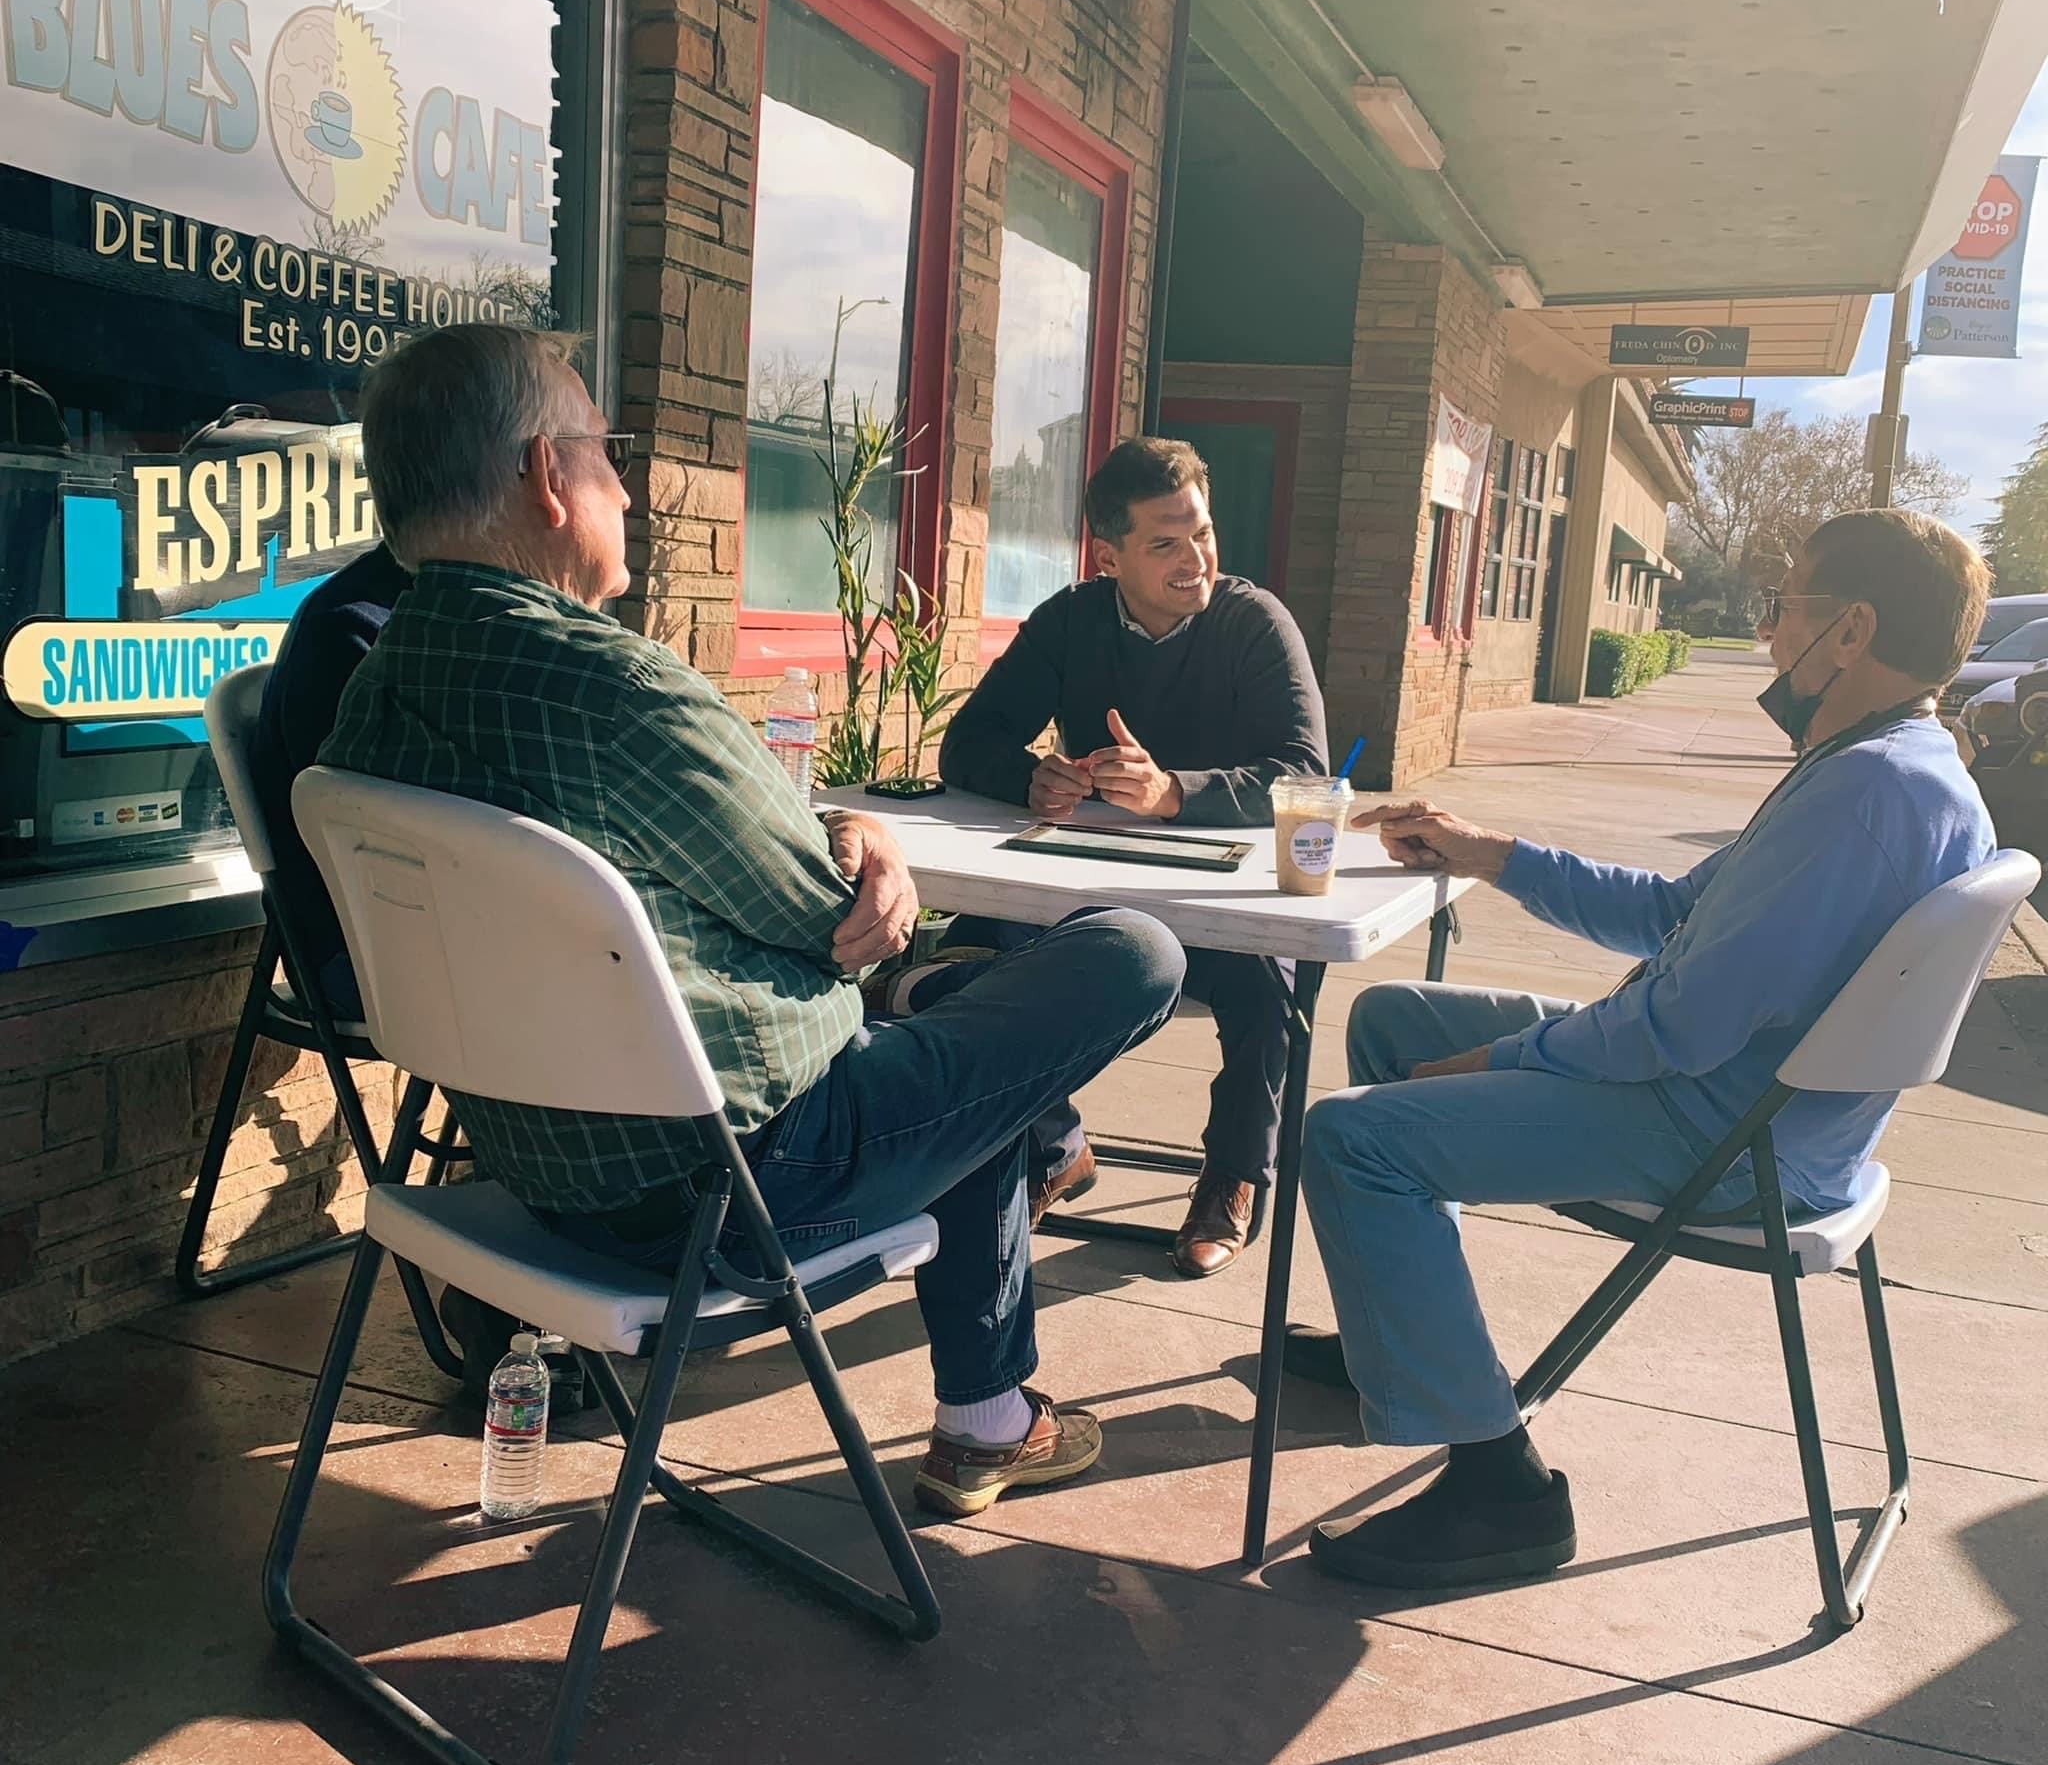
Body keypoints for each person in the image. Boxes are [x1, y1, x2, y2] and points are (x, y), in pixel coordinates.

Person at [318, 323, 1186, 1515]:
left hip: (531, 1171)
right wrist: (870, 840)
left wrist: (847, 852)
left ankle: (988, 1416)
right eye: (604, 451)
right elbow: (838, 918)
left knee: (968, 1049)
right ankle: (988, 1408)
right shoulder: (611, 688)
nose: (623, 482)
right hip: (740, 1184)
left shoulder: (367, 697)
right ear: (542, 476)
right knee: (1126, 952)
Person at [1288, 509, 1995, 1591]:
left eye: (1783, 604)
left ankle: (1498, 1489)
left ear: (1847, 631)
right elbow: (1673, 913)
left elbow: (1673, 1028)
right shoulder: (1895, 763)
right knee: (1393, 1019)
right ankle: (1403, 1340)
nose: (1768, 631)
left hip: (1722, 1130)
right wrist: (1490, 852)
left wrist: (1499, 1062)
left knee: (1351, 1139)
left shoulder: (1860, 796)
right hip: (1775, 1116)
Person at [938, 437, 1327, 1276]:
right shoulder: (1071, 620)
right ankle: (1053, 1148)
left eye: (1203, 532)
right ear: (1109, 555)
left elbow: (1304, 773)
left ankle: (1232, 1174)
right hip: (1096, 902)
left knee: (1272, 974)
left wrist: (1175, 792)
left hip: (1226, 911)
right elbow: (970, 744)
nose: (1197, 561)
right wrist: (1030, 779)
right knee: (964, 956)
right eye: (1166, 543)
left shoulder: (1254, 623)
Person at [251, 541, 407, 1018]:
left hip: (427, 941)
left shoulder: (438, 614)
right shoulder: (355, 626)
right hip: (353, 962)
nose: (625, 496)